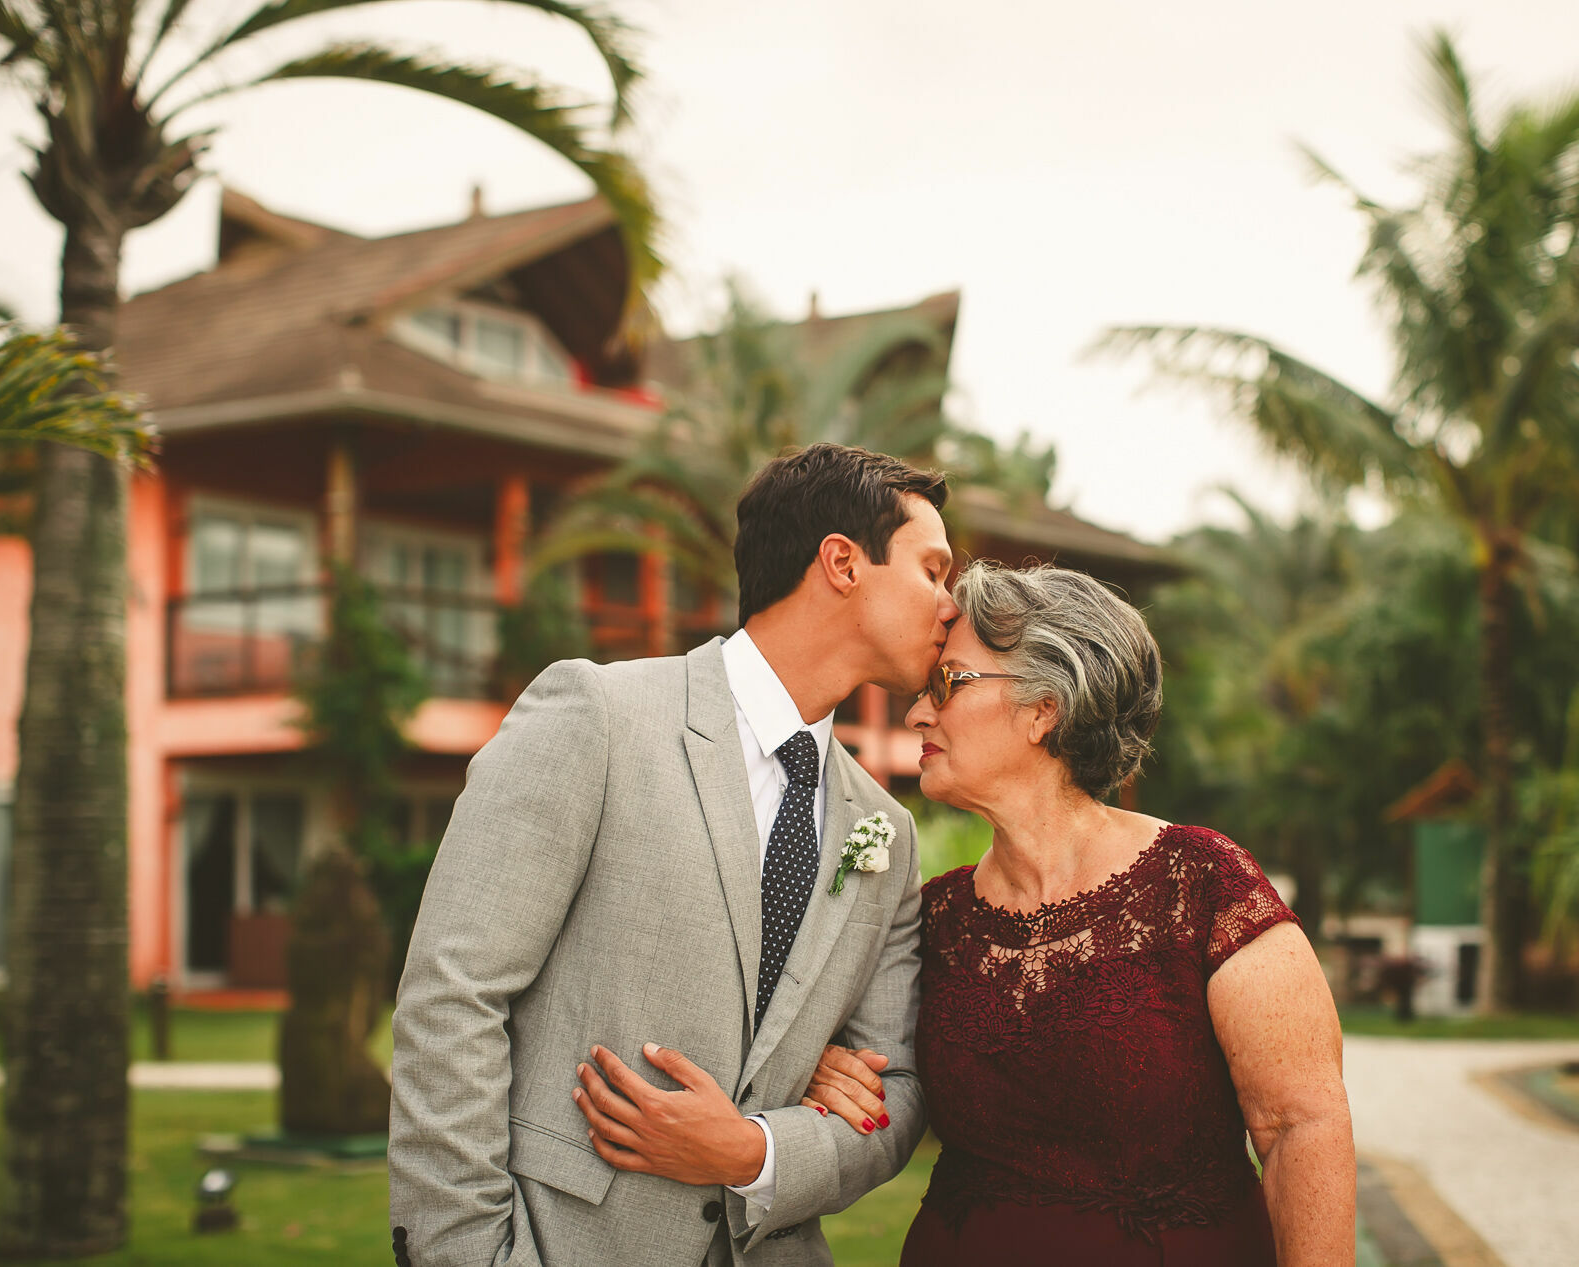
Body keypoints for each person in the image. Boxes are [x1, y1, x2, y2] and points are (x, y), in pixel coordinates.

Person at [388, 444, 955, 1267]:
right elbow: (453, 992)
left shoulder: (886, 833)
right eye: (932, 570)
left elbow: (896, 1093)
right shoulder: (599, 716)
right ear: (842, 563)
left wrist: (757, 1152)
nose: (950, 604)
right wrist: (465, 1254)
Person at [805, 561, 1355, 1266]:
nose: (917, 712)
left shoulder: (1201, 883)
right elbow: (870, 1070)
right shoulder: (933, 916)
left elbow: (1301, 1126)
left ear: (1045, 708)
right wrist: (821, 1066)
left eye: (948, 682)